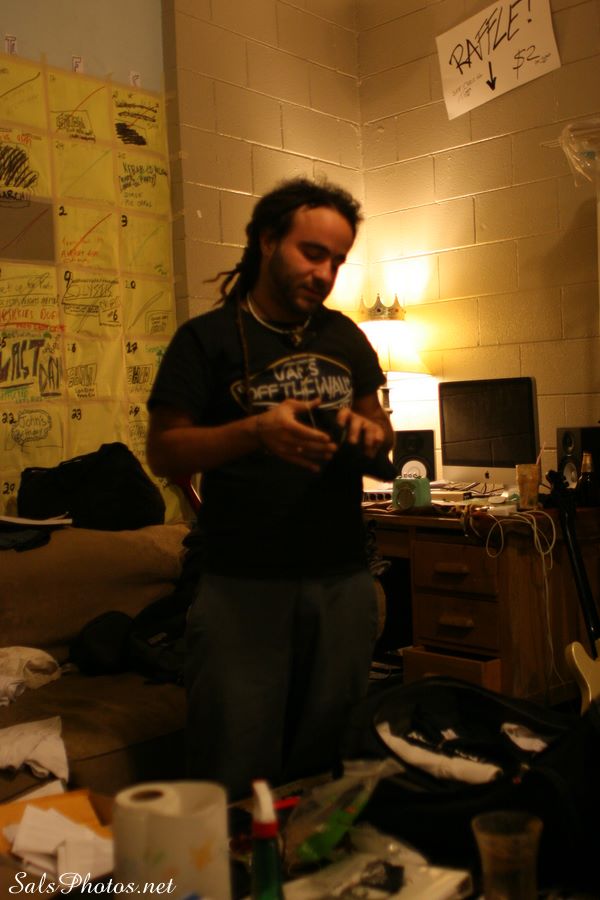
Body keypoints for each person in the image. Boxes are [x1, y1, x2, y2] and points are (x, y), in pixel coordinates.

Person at [146, 177, 394, 800]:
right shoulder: (205, 339)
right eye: (313, 253)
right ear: (266, 240)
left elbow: (381, 429)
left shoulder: (346, 337)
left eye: (337, 260)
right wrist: (255, 431)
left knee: (330, 767)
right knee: (235, 773)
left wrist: (369, 435)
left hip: (342, 582)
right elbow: (164, 450)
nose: (325, 273)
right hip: (242, 587)